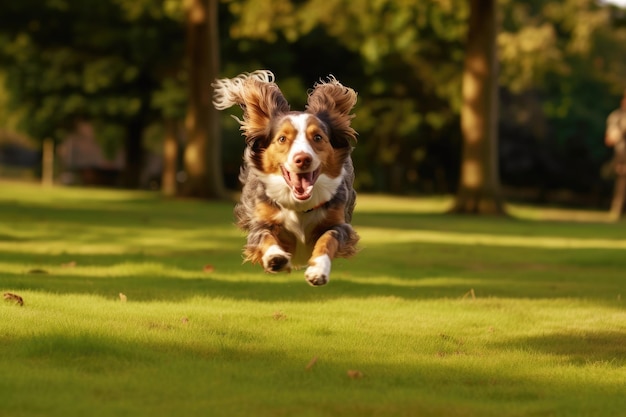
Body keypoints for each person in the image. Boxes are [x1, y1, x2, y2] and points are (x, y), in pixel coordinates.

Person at [605, 90, 626, 220]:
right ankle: (617, 209)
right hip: (621, 155)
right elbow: (609, 139)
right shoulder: (616, 117)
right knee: (622, 181)